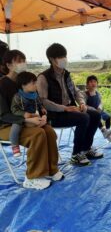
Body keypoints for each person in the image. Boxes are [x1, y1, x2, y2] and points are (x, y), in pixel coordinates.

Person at [0, 50, 63, 190]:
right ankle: (32, 177)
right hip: (6, 126)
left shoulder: (24, 82)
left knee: (48, 131)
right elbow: (3, 115)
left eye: (24, 60)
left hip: (27, 122)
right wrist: (26, 120)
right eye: (19, 61)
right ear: (9, 65)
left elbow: (36, 102)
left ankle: (51, 170)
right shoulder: (2, 85)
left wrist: (42, 116)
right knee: (38, 134)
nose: (23, 63)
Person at [37, 43, 103, 166]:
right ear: (52, 59)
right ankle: (76, 155)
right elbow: (43, 101)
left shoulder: (66, 75)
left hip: (70, 109)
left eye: (65, 56)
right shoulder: (43, 77)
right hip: (54, 115)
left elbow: (76, 91)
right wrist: (64, 108)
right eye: (61, 56)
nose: (64, 59)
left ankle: (86, 148)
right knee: (84, 118)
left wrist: (82, 103)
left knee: (95, 114)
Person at [10, 71, 47, 157]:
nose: (36, 85)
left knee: (44, 122)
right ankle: (14, 145)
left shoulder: (34, 94)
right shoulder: (17, 96)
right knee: (16, 126)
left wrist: (42, 108)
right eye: (33, 83)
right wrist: (23, 114)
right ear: (23, 85)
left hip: (33, 115)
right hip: (22, 118)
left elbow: (38, 102)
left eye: (36, 83)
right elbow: (14, 109)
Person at [85, 75, 111, 141]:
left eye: (95, 82)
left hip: (99, 110)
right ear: (87, 84)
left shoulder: (98, 93)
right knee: (96, 117)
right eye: (91, 82)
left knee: (108, 117)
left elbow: (101, 102)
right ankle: (104, 131)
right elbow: (84, 105)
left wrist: (99, 108)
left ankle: (107, 133)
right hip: (90, 112)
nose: (93, 83)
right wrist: (93, 109)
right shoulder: (85, 94)